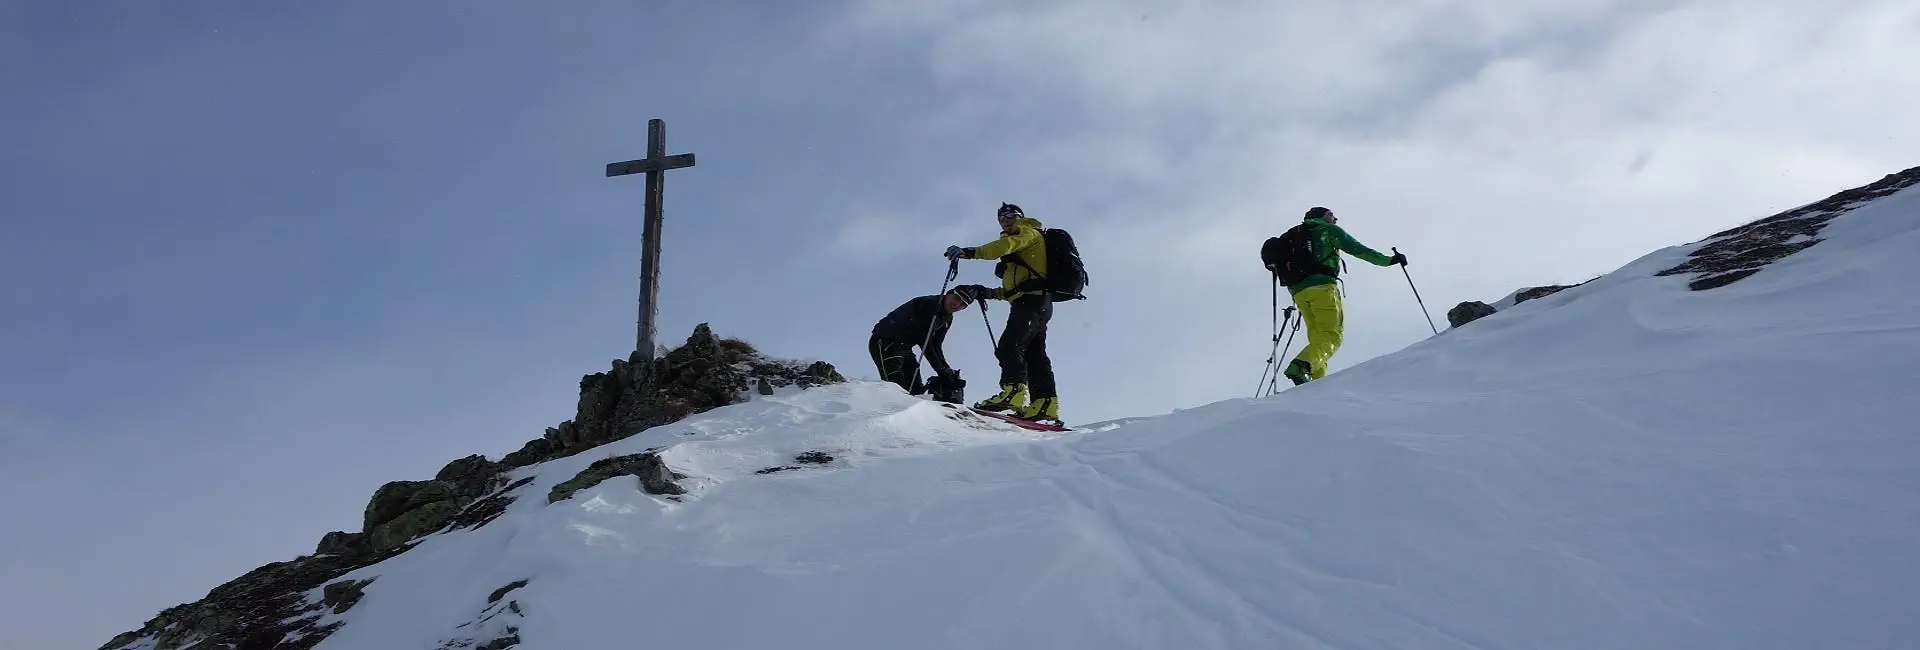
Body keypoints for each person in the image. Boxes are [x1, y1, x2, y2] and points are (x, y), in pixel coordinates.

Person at [944, 202, 1062, 424]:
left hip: (1032, 303)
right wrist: (987, 292)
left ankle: (1013, 392)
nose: (1005, 220)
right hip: (1036, 303)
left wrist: (968, 252)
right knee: (1034, 354)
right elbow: (1013, 291)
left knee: (1009, 346)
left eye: (1010, 215)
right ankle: (1045, 403)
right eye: (1001, 218)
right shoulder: (1020, 249)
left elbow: (1003, 246)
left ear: (1020, 217)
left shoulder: (1027, 233)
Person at [1274, 206, 1406, 385]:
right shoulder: (1327, 230)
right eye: (1330, 215)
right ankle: (1300, 366)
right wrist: (1388, 260)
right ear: (1320, 217)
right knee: (1332, 336)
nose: (1335, 219)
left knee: (1318, 338)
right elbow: (1356, 248)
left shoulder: (1293, 235)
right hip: (1322, 287)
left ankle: (1315, 383)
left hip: (1298, 293)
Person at [869, 286, 983, 401]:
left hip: (905, 347)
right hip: (886, 340)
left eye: (963, 304)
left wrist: (946, 370)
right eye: (956, 298)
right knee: (896, 388)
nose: (957, 304)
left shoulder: (947, 318)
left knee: (915, 390)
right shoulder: (928, 305)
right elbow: (924, 341)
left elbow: (936, 345)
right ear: (948, 294)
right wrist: (941, 372)